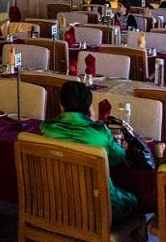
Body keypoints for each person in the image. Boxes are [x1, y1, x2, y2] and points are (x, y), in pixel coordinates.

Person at [40, 80, 137, 220]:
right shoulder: (100, 133)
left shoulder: (48, 130)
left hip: (58, 203)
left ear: (61, 104)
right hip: (97, 207)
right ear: (89, 106)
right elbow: (118, 158)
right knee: (133, 200)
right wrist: (92, 121)